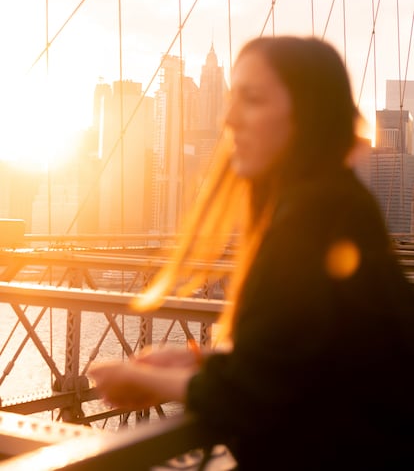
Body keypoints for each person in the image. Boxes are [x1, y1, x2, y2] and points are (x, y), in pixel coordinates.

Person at [90, 36, 414, 470]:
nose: (229, 119)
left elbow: (255, 393)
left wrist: (144, 377)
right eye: (230, 100)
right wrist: (198, 358)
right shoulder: (339, 202)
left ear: (307, 115)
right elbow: (308, 351)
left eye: (253, 100)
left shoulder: (315, 213)